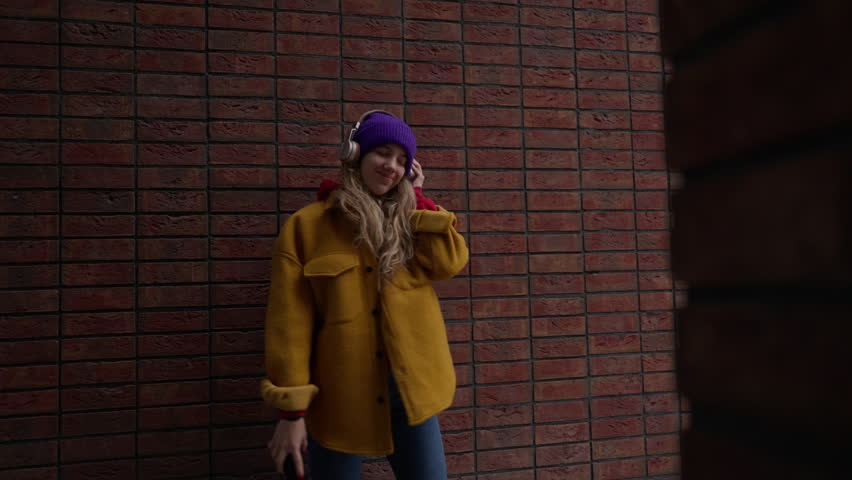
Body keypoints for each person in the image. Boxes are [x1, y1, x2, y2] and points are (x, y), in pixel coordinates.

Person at [262, 110, 469, 479]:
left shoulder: (411, 221)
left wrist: (418, 200)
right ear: (355, 153)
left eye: (402, 160)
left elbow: (448, 262)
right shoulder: (308, 227)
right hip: (340, 398)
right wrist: (291, 412)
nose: (391, 166)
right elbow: (289, 325)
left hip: (411, 394)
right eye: (383, 153)